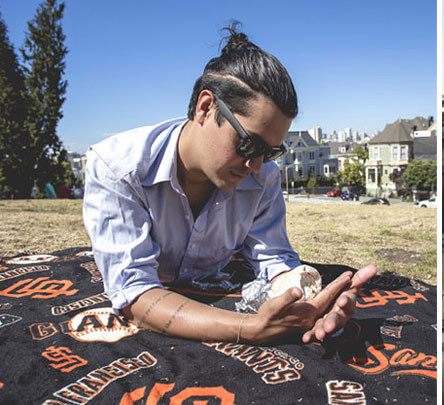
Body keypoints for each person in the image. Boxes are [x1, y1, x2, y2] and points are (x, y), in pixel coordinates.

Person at [82, 24, 377, 344]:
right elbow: (134, 296)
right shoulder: (118, 168)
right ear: (205, 107)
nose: (256, 165)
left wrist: (308, 302)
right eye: (249, 145)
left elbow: (274, 260)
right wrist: (246, 328)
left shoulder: (263, 177)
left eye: (271, 152)